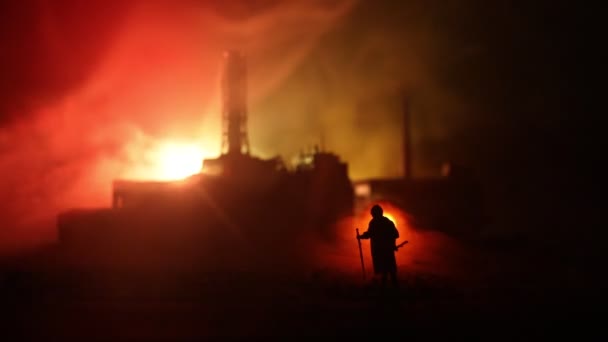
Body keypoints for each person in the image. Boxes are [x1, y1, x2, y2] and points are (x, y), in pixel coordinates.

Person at [357, 204, 400, 287]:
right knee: (389, 271)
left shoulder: (374, 223)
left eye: (373, 213)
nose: (372, 215)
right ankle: (392, 289)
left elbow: (370, 234)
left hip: (381, 250)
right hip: (387, 250)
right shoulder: (387, 222)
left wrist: (361, 236)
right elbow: (395, 234)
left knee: (386, 270)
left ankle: (388, 290)